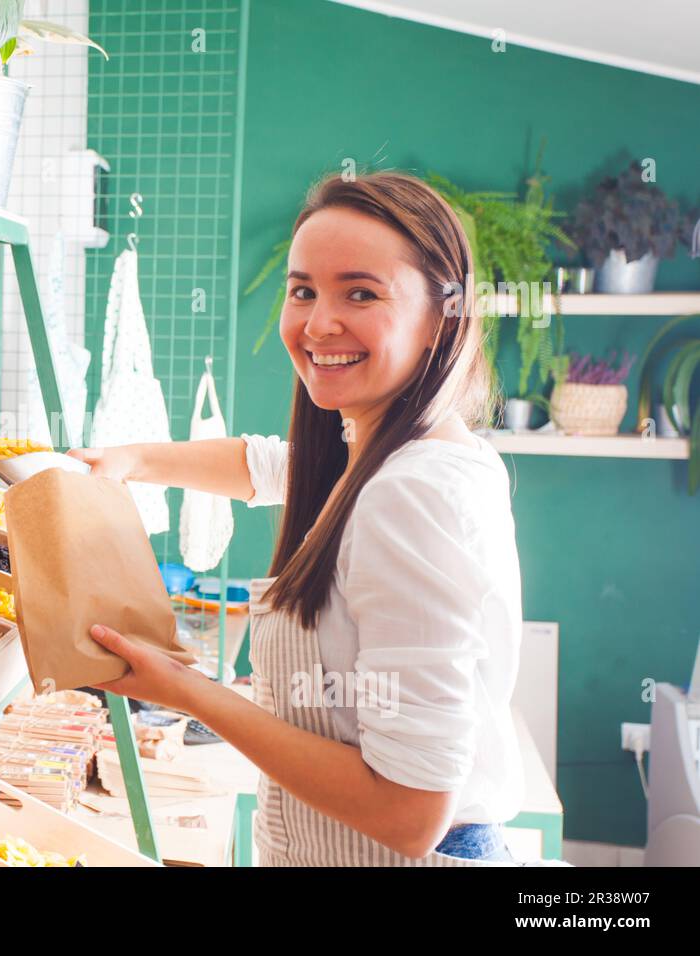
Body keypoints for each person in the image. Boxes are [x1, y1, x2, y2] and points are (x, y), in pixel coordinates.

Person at [68, 171, 523, 866]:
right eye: (304, 290)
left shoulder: (412, 495)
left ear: (441, 321)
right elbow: (268, 464)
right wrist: (128, 460)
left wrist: (185, 692)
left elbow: (409, 813)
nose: (317, 323)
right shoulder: (401, 450)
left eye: (361, 293)